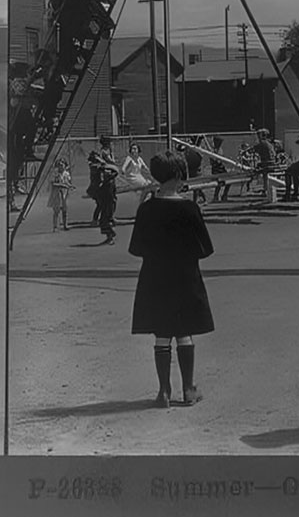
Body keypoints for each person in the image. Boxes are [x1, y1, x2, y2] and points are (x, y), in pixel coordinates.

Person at [129, 150, 215, 408]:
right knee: (184, 331)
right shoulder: (190, 208)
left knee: (162, 333)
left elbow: (135, 248)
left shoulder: (146, 209)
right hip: (185, 276)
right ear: (179, 176)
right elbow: (206, 248)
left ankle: (163, 392)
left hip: (155, 277)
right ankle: (188, 389)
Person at [95, 136, 119, 245]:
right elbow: (109, 165)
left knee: (110, 205)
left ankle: (110, 233)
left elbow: (114, 168)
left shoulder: (108, 152)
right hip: (106, 183)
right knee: (106, 207)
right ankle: (109, 233)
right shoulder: (103, 153)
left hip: (110, 182)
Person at [47, 158, 73, 232]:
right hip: (56, 194)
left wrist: (69, 186)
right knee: (56, 211)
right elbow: (54, 184)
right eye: (59, 165)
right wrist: (62, 185)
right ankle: (55, 226)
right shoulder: (55, 174)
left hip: (64, 194)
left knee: (64, 210)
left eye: (62, 165)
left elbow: (67, 182)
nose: (61, 167)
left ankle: (65, 224)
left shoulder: (66, 174)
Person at [252, 128, 277, 200]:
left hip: (268, 163)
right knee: (263, 173)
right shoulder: (268, 143)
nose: (257, 137)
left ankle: (265, 189)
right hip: (271, 163)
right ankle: (265, 188)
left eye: (258, 135)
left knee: (260, 171)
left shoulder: (262, 143)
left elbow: (254, 149)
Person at [210, 136, 232, 203]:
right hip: (216, 170)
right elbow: (213, 161)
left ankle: (224, 195)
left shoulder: (220, 149)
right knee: (219, 183)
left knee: (229, 181)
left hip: (221, 168)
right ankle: (215, 196)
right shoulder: (213, 150)